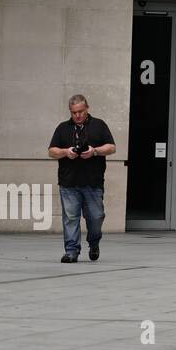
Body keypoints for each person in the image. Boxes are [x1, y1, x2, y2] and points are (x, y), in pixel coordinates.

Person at [47, 95, 116, 264]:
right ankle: (71, 252)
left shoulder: (99, 125)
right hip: (68, 182)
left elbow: (112, 147)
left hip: (93, 182)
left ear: (87, 108)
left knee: (96, 217)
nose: (77, 115)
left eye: (80, 111)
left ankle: (94, 243)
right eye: (73, 112)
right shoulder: (63, 128)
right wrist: (66, 152)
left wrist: (94, 151)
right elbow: (51, 151)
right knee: (70, 218)